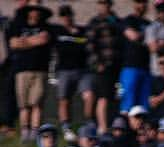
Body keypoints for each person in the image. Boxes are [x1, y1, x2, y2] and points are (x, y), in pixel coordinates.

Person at [9, 2, 52, 141]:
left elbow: (44, 40)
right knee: (23, 104)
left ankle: (35, 132)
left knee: (37, 103)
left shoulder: (46, 27)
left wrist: (25, 42)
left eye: (38, 10)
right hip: (22, 70)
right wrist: (34, 40)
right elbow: (13, 43)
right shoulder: (18, 26)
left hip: (40, 70)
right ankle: (24, 131)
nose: (35, 12)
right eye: (33, 10)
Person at [51, 3, 92, 130]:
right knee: (64, 99)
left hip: (82, 69)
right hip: (64, 70)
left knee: (89, 95)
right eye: (63, 15)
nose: (66, 18)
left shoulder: (82, 31)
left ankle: (88, 122)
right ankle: (65, 126)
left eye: (68, 14)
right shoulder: (56, 31)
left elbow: (86, 48)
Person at [85, 0, 122, 131]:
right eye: (101, 4)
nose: (104, 6)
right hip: (103, 67)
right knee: (103, 97)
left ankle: (112, 125)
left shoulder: (117, 21)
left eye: (106, 3)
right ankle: (102, 127)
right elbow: (90, 45)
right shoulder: (95, 22)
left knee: (113, 97)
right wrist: (98, 64)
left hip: (116, 66)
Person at [118, 0, 151, 113]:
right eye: (139, 2)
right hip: (130, 66)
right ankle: (125, 126)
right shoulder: (128, 20)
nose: (141, 5)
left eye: (144, 2)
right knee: (128, 100)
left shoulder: (148, 23)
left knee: (143, 104)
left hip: (146, 67)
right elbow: (133, 36)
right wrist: (149, 37)